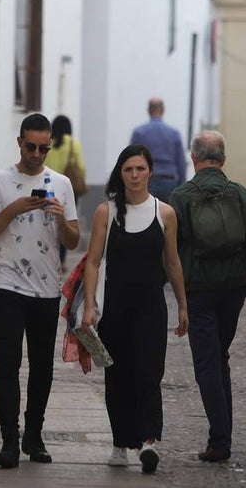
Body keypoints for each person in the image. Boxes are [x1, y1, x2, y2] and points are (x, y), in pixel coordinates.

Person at [0, 113, 81, 469]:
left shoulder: (62, 184)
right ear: (19, 143)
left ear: (50, 146)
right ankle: (9, 439)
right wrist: (15, 208)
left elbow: (73, 239)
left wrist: (61, 216)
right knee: (8, 361)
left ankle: (34, 435)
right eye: (31, 146)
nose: (37, 154)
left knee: (41, 366)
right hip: (5, 284)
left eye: (43, 148)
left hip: (46, 287)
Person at [81, 144, 188, 474]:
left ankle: (148, 442)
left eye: (140, 169)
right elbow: (94, 261)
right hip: (115, 310)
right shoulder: (106, 212)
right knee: (118, 377)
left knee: (149, 374)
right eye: (128, 169)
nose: (135, 175)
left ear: (150, 172)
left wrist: (184, 306)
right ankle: (119, 444)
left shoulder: (165, 213)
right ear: (121, 174)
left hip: (151, 310)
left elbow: (172, 262)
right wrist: (89, 306)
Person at [169, 131, 246, 463]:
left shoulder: (181, 197)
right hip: (234, 289)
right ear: (223, 160)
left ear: (193, 158)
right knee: (220, 356)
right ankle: (222, 435)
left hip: (198, 290)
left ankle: (220, 440)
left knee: (207, 362)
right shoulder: (240, 195)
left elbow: (170, 251)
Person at [44, 115, 87, 266]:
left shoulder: (49, 143)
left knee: (49, 222)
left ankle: (49, 255)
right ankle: (61, 260)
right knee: (67, 223)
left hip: (49, 188)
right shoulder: (73, 144)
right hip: (69, 190)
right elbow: (81, 166)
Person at [130, 97, 188, 201]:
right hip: (170, 183)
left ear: (148, 110)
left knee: (147, 216)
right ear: (163, 110)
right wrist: (181, 186)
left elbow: (131, 159)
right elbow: (181, 163)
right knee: (167, 215)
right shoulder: (174, 133)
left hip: (146, 182)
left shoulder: (139, 133)